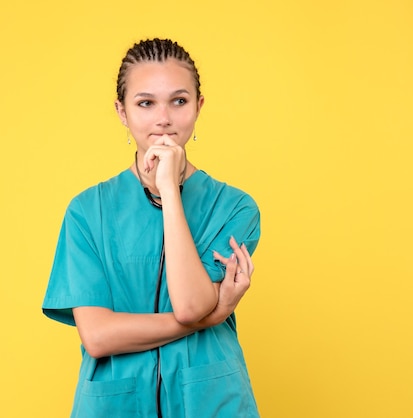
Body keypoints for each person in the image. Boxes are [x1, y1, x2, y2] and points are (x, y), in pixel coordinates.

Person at [42, 38, 261, 417]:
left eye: (179, 101)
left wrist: (169, 192)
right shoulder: (86, 212)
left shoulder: (235, 207)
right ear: (122, 112)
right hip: (115, 404)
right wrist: (215, 313)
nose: (164, 118)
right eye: (145, 103)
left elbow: (191, 305)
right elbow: (97, 337)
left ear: (199, 106)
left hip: (212, 401)